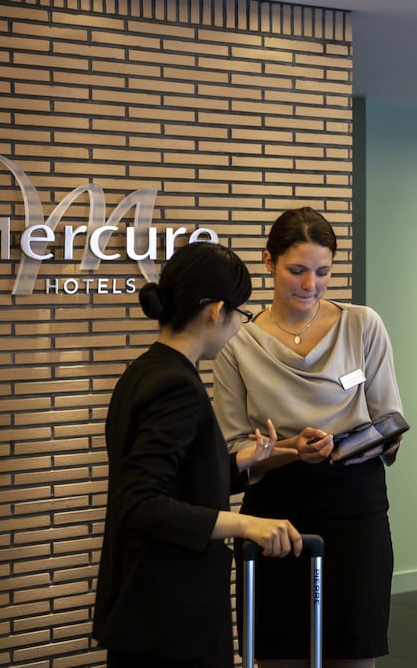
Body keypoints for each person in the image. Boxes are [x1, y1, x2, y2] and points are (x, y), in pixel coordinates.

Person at [92, 242, 303, 668]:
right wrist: (248, 523)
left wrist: (244, 462)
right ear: (215, 311)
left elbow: (172, 480)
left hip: (145, 604)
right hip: (170, 613)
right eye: (239, 315)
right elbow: (141, 502)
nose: (239, 328)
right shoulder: (176, 386)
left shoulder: (144, 371)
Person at [213, 206, 405, 668]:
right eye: (297, 271)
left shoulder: (363, 325)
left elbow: (391, 423)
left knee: (354, 651)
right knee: (277, 652)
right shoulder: (238, 342)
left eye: (323, 272)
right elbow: (234, 450)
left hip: (356, 508)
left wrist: (344, 448)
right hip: (275, 512)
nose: (310, 285)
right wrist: (289, 451)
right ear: (268, 261)